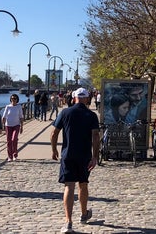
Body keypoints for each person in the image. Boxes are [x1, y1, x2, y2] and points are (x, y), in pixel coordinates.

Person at [50, 87, 100, 233]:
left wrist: (54, 149)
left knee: (69, 186)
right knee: (83, 184)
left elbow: (54, 132)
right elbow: (96, 136)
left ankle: (68, 222)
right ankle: (84, 215)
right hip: (84, 155)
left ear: (74, 98)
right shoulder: (91, 115)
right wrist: (95, 156)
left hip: (68, 154)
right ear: (86, 99)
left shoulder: (65, 112)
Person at [2, 94, 23, 162]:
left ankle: (15, 155)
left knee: (14, 139)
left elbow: (21, 116)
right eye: (12, 98)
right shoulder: (8, 107)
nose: (13, 100)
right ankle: (9, 156)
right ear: (10, 99)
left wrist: (22, 126)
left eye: (15, 99)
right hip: (8, 125)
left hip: (16, 125)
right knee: (9, 141)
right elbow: (4, 116)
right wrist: (2, 126)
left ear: (17, 100)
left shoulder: (19, 106)